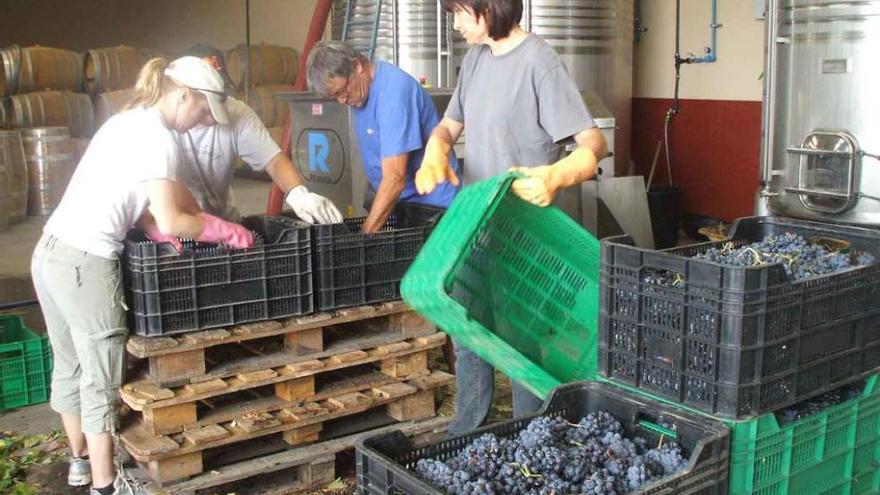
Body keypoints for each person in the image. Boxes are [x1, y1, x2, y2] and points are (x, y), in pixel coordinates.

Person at [31, 56, 253, 495]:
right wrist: (224, 230)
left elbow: (134, 201)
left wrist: (158, 225)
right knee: (101, 377)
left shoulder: (127, 121)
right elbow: (172, 219)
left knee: (70, 366)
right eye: (204, 111)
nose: (204, 122)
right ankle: (105, 485)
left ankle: (78, 464)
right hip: (86, 262)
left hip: (49, 252)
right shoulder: (160, 138)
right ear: (184, 94)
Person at [414, 0, 609, 435]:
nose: (456, 22)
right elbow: (450, 124)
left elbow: (594, 143)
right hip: (477, 225)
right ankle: (467, 432)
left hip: (524, 234)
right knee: (467, 333)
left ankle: (529, 436)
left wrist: (559, 174)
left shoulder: (539, 61)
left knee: (522, 344)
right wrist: (436, 147)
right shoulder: (476, 60)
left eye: (460, 11)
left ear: (489, 8)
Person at [145, 44, 343, 226]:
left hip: (221, 220)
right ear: (185, 96)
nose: (211, 119)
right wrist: (209, 228)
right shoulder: (155, 126)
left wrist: (299, 193)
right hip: (181, 228)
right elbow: (167, 196)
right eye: (206, 111)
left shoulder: (237, 113)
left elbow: (273, 160)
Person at [305, 41, 460, 232]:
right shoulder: (360, 92)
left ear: (358, 67)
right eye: (334, 97)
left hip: (432, 210)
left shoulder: (392, 95)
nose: (342, 100)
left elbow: (395, 179)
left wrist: (365, 235)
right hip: (401, 204)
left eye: (342, 91)